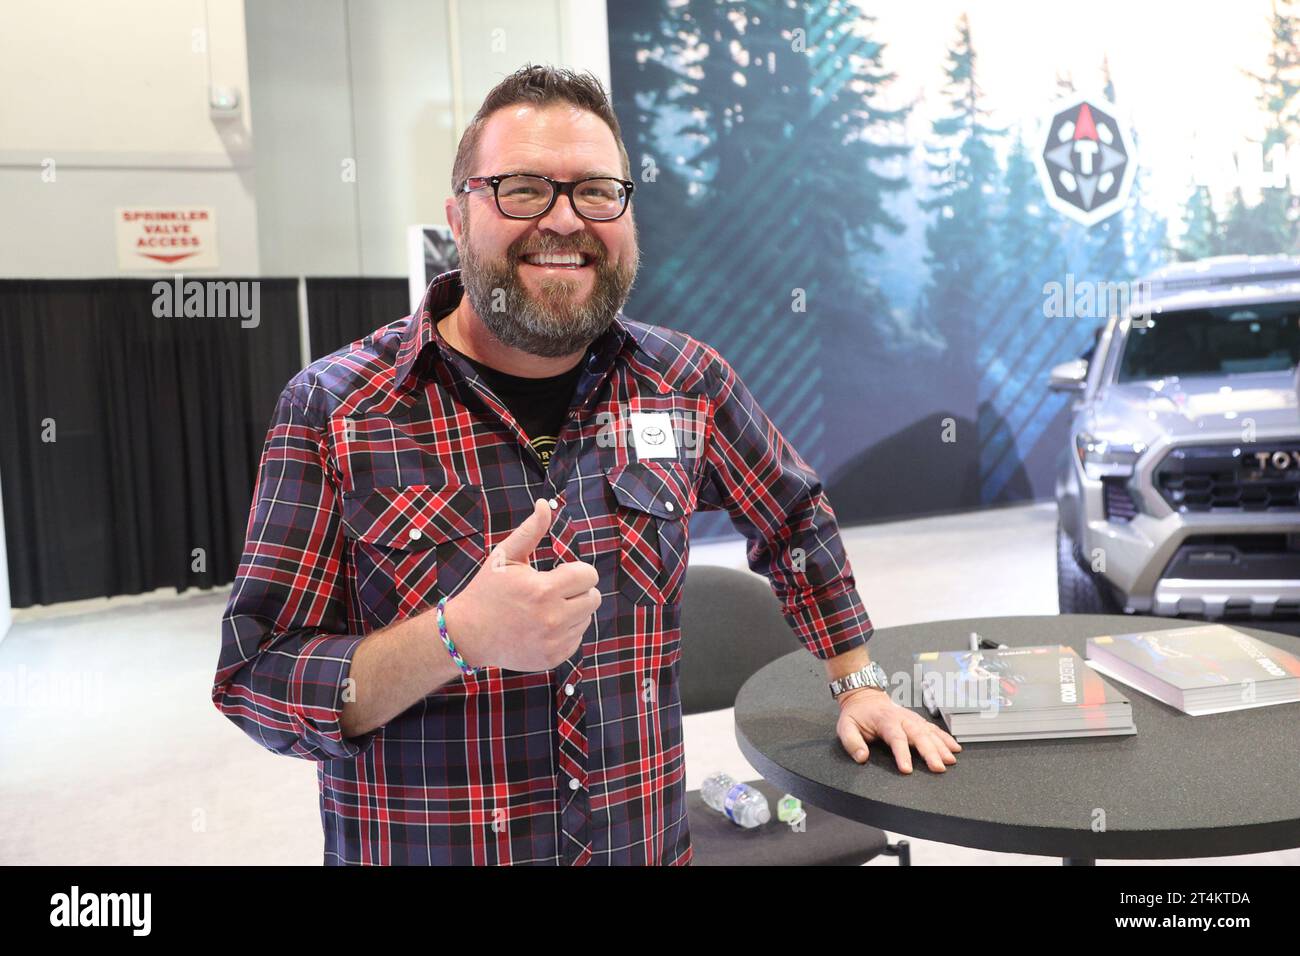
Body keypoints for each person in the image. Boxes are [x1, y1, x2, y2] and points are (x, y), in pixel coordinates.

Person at [212, 64, 960, 866]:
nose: (565, 220)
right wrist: (453, 637)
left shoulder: (686, 384)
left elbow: (793, 518)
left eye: (597, 192)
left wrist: (857, 680)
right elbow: (258, 680)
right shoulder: (337, 409)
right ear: (457, 216)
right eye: (523, 189)